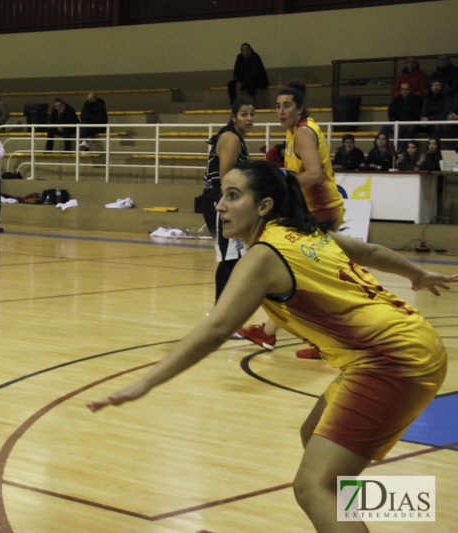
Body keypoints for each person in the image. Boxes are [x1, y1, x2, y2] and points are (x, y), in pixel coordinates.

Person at [88, 160, 454, 533]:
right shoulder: (303, 234)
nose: (219, 206)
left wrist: (144, 383)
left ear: (263, 206)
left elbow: (216, 328)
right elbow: (372, 251)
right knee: (312, 438)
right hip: (413, 344)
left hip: (392, 361)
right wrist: (417, 274)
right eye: (221, 196)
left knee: (313, 487)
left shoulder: (263, 255)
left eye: (233, 196)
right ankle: (349, 519)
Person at [238, 82, 344, 359]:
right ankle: (272, 332)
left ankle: (326, 339)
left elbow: (314, 174)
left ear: (299, 109)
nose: (281, 111)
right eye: (277, 106)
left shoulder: (303, 133)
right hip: (312, 209)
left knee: (302, 277)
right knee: (299, 276)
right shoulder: (295, 131)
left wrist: (281, 182)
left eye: (287, 105)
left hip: (322, 210)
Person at [200, 97, 255, 301]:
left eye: (252, 114)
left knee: (233, 258)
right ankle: (220, 314)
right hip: (219, 202)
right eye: (244, 114)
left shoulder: (234, 137)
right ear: (233, 117)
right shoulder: (231, 138)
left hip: (222, 201)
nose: (249, 118)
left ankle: (222, 313)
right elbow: (226, 178)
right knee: (230, 259)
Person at [383, 82, 423, 149]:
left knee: (407, 127)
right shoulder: (395, 100)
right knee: (384, 127)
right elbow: (392, 114)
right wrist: (394, 123)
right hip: (398, 123)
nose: (404, 91)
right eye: (402, 89)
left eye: (406, 89)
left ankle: (403, 150)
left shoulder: (417, 100)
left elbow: (416, 115)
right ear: (400, 90)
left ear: (410, 90)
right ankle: (384, 150)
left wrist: (400, 124)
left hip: (411, 123)